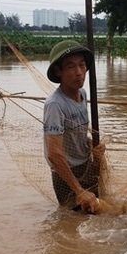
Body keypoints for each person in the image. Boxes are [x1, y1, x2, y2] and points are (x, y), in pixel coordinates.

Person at [43, 40, 105, 214]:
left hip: (86, 164)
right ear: (58, 71)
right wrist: (79, 191)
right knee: (76, 221)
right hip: (67, 176)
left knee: (98, 216)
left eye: (82, 65)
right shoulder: (55, 105)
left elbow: (75, 131)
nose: (79, 73)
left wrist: (90, 143)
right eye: (71, 67)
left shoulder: (82, 94)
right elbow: (54, 154)